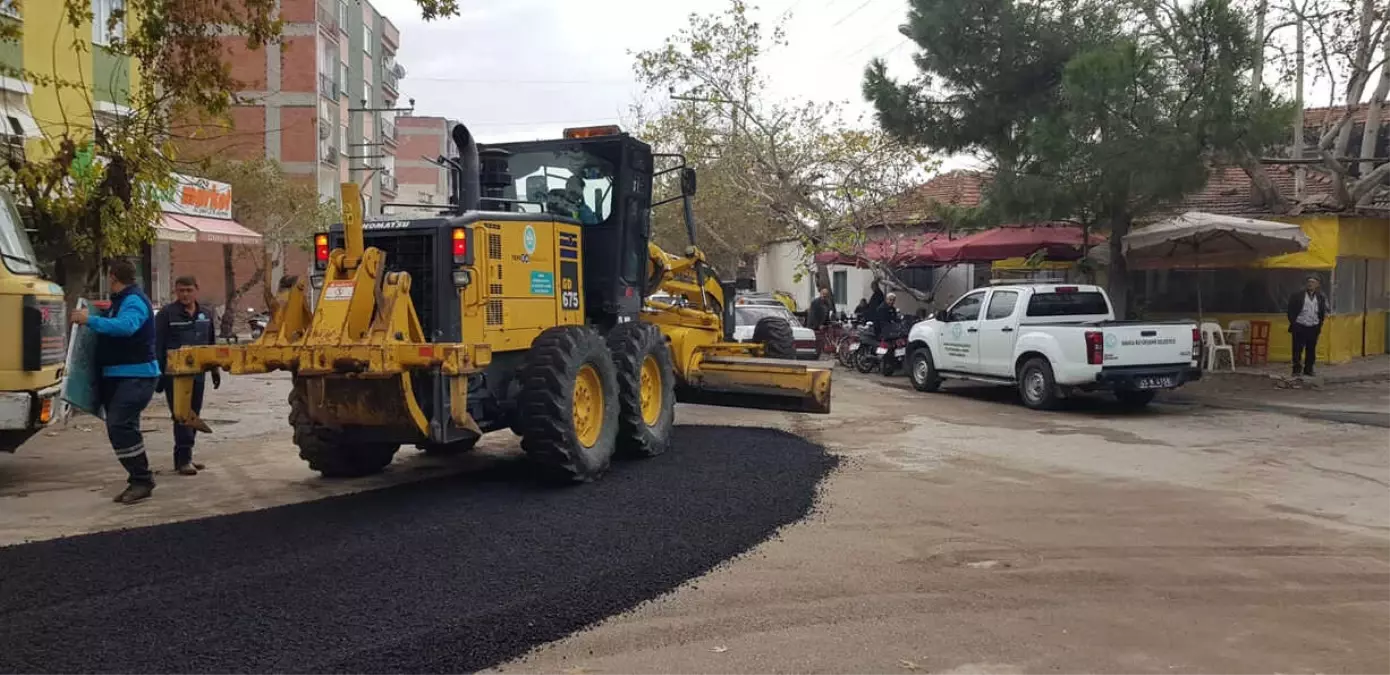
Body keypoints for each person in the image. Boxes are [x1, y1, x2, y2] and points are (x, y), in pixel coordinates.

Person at [71, 259, 161, 504]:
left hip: (137, 375)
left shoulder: (133, 300)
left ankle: (142, 480)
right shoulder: (119, 301)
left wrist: (89, 320)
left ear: (112, 277)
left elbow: (126, 327)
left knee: (119, 425)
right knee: (124, 427)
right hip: (119, 376)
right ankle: (139, 479)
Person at [154, 276, 221, 475]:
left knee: (194, 415)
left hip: (198, 374)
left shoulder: (206, 314)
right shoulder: (166, 314)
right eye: (181, 290)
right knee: (181, 416)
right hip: (175, 376)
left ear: (196, 290)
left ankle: (185, 456)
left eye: (188, 290)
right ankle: (184, 459)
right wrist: (158, 375)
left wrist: (214, 369)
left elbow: (210, 345)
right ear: (176, 291)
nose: (184, 294)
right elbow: (157, 346)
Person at [1286, 274, 1330, 377]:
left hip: (1313, 326)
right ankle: (1296, 370)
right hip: (1300, 325)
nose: (1310, 284)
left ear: (1317, 285)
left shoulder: (1320, 297)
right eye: (1309, 282)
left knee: (1311, 349)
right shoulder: (1297, 295)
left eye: (1313, 282)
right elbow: (1290, 310)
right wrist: (1294, 323)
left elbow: (1322, 311)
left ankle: (1309, 369)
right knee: (1297, 349)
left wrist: (1319, 324)